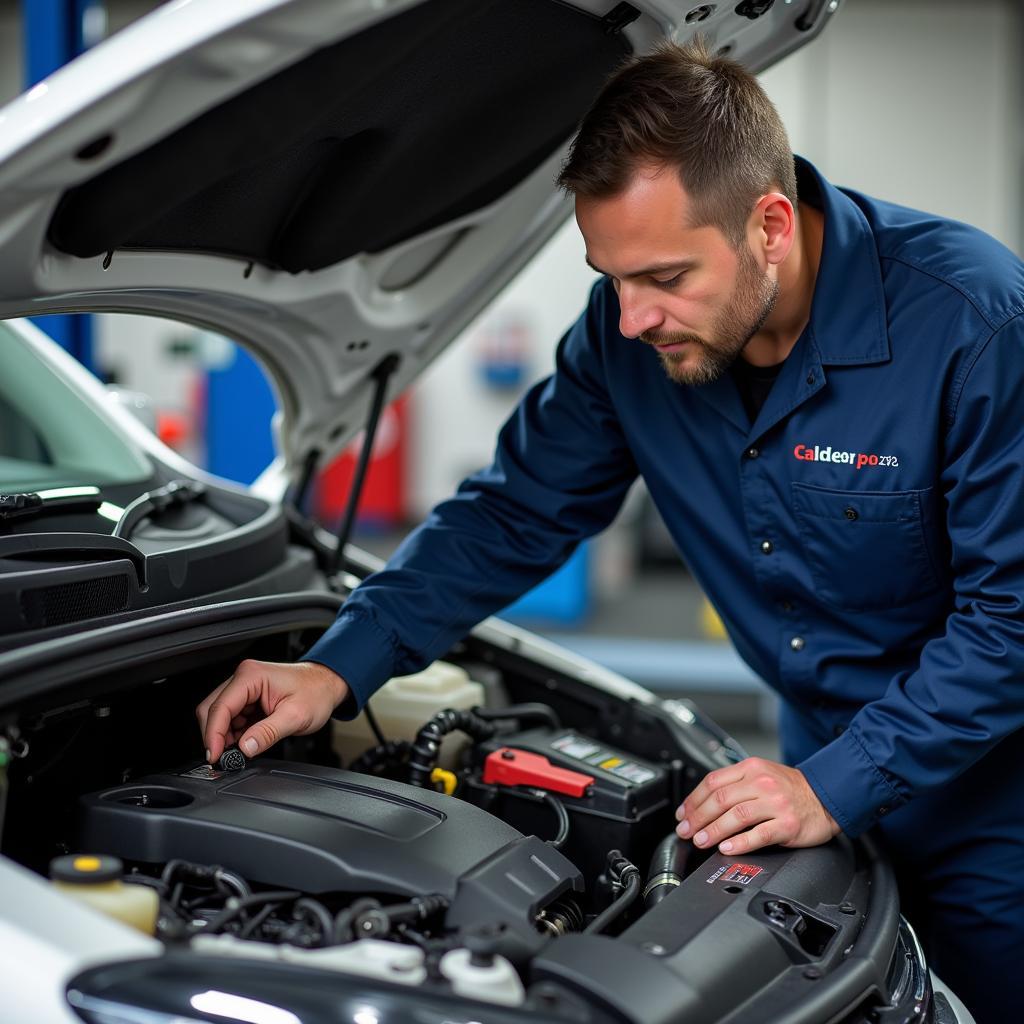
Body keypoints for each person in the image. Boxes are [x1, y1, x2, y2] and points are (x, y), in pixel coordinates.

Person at [197, 40, 1024, 1021]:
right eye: (610, 276)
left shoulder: (974, 322)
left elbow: (1011, 620)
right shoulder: (624, 338)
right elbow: (510, 512)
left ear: (767, 225)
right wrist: (339, 665)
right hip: (801, 778)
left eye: (664, 276)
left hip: (989, 802)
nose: (630, 318)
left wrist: (835, 785)